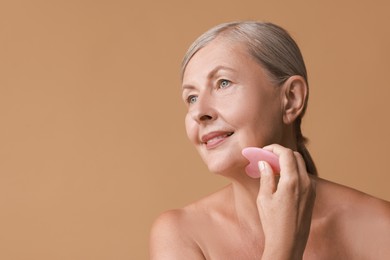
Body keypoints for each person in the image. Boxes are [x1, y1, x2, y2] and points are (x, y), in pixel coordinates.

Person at [149, 21, 390, 259]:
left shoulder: (380, 228)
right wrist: (283, 245)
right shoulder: (180, 234)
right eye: (191, 97)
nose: (199, 112)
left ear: (291, 98)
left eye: (223, 83)